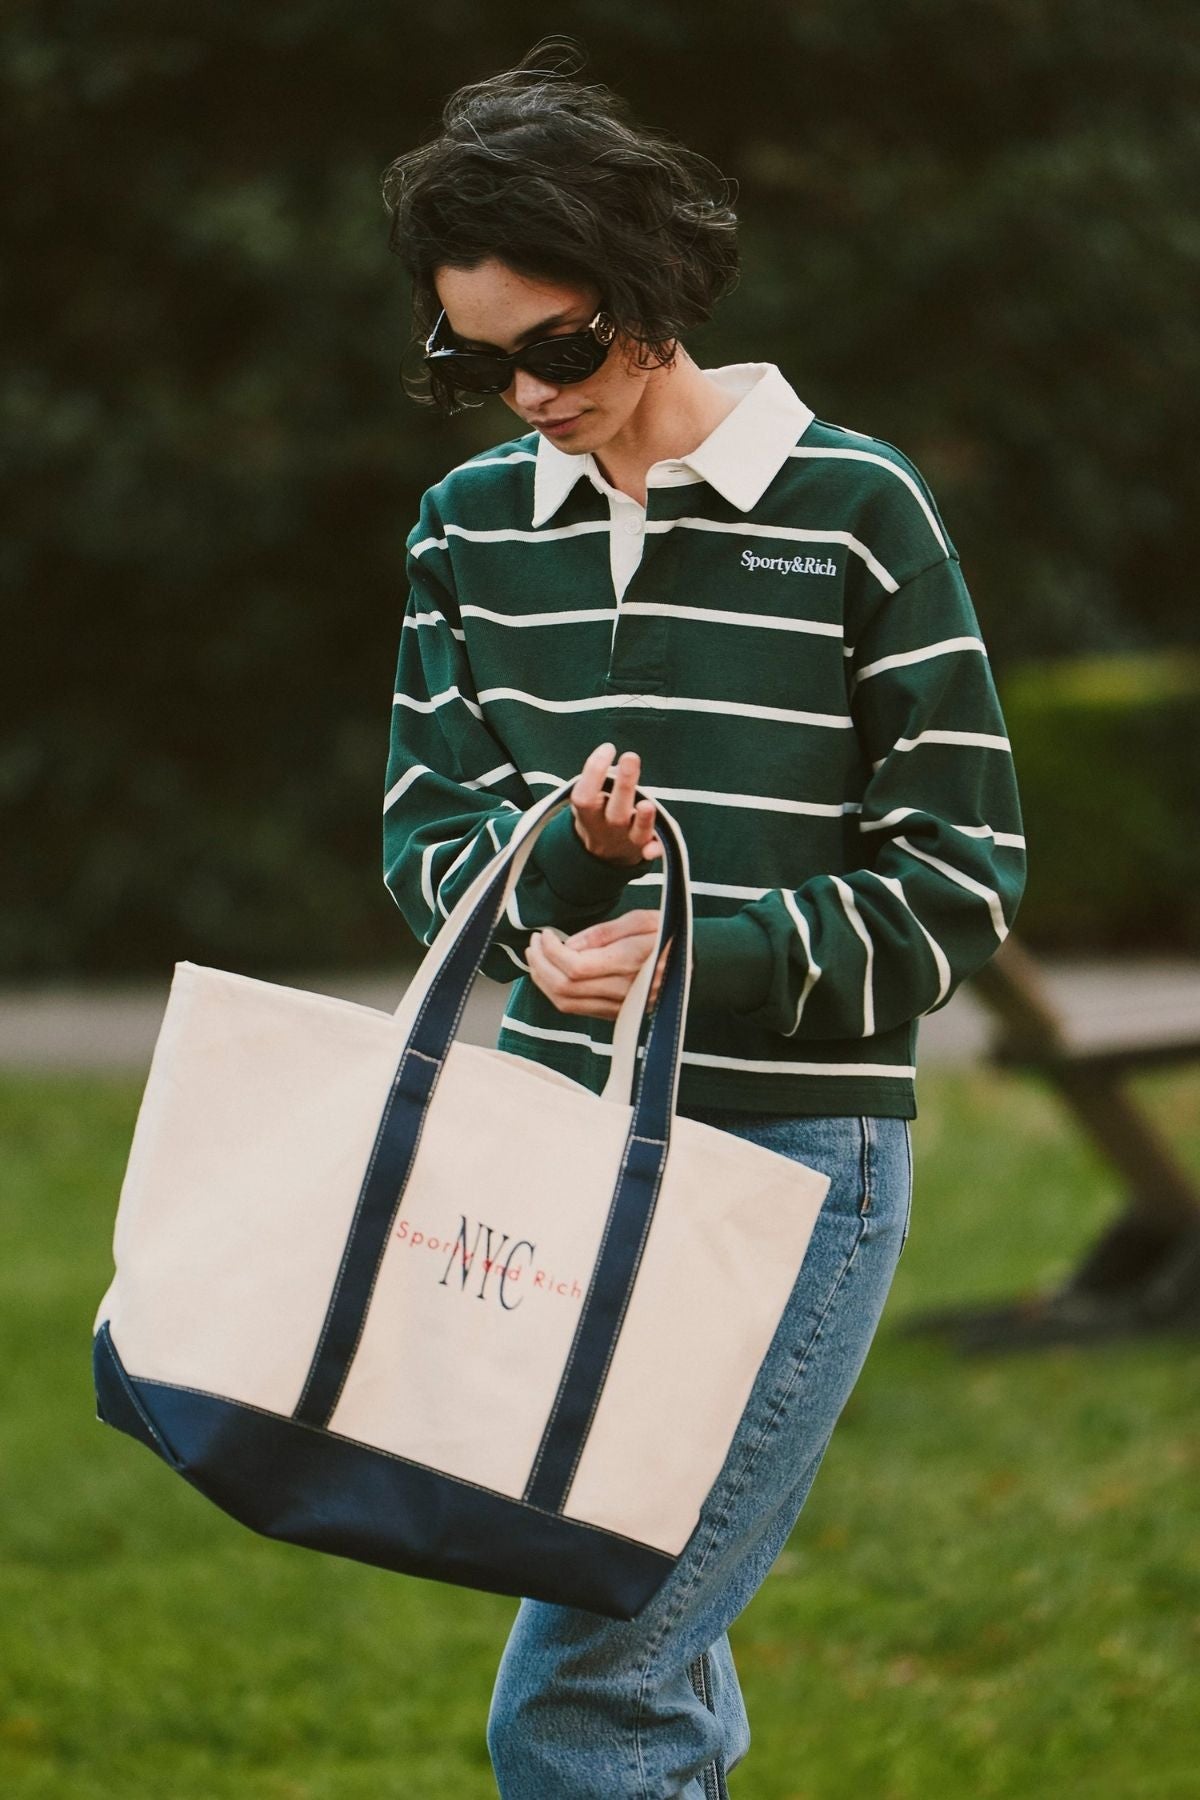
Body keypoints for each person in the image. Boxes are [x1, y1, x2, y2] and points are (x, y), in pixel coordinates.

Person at [379, 38, 1025, 1800]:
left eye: (559, 349)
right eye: (473, 359)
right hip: (554, 1163)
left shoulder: (855, 512)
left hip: (792, 1160)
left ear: (651, 295)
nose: (523, 397)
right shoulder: (466, 533)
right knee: (659, 1666)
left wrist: (694, 952)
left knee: (589, 1695)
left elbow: (962, 874)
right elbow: (428, 826)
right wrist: (550, 911)